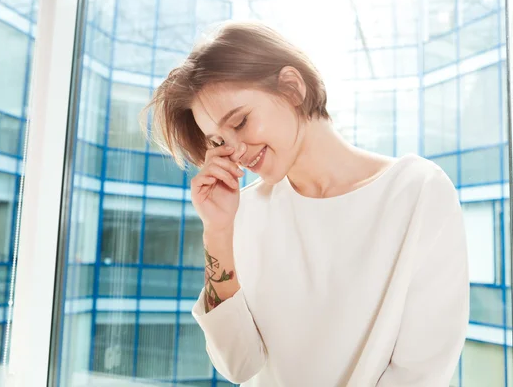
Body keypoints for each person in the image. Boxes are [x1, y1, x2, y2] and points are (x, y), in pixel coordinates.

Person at [143, 21, 469, 386]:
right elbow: (237, 364)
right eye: (217, 141)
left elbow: (421, 372)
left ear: (292, 87)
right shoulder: (243, 214)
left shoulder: (418, 191)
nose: (234, 150)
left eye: (241, 121)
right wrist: (218, 233)